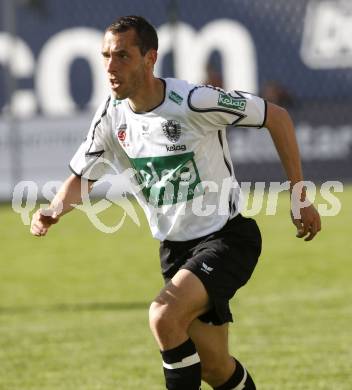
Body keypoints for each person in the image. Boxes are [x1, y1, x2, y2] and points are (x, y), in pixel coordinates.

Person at [30, 15, 321, 390]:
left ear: (150, 58)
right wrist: (54, 209)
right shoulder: (112, 116)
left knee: (163, 316)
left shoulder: (194, 101)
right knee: (216, 368)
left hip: (227, 239)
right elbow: (84, 176)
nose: (110, 68)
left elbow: (277, 117)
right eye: (105, 56)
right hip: (175, 250)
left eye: (122, 56)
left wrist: (299, 196)